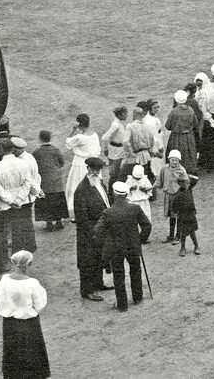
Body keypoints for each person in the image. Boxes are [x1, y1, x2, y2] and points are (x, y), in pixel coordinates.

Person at [93, 180, 151, 312]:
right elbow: (147, 225)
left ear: (114, 194)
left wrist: (106, 241)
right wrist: (140, 240)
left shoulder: (108, 213)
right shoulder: (135, 208)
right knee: (135, 270)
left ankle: (122, 305)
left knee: (118, 275)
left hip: (116, 249)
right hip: (133, 246)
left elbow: (97, 231)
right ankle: (137, 298)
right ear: (126, 195)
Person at [0, 250, 51, 379]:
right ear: (29, 264)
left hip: (9, 323)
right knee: (32, 352)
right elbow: (40, 304)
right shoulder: (32, 283)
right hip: (29, 323)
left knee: (12, 350)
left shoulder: (4, 280)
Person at [72, 157, 110, 302]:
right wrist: (93, 233)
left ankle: (98, 284)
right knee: (88, 260)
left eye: (98, 170)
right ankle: (87, 290)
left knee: (99, 257)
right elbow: (81, 217)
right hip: (88, 232)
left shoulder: (101, 184)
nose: (95, 172)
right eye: (92, 169)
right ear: (87, 169)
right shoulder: (81, 190)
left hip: (101, 228)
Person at [64, 114, 100, 220]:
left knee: (77, 187)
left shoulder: (79, 137)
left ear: (79, 125)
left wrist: (73, 130)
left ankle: (78, 213)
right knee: (93, 186)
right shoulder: (95, 135)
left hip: (80, 164)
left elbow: (68, 143)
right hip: (93, 164)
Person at [32, 131, 67, 230]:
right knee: (57, 200)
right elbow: (62, 162)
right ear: (50, 138)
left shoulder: (37, 152)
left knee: (45, 201)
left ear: (40, 139)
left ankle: (49, 223)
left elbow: (33, 165)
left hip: (44, 181)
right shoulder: (56, 150)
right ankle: (59, 221)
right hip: (56, 181)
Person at [154, 151, 190, 245]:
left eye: (176, 160)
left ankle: (178, 236)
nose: (174, 162)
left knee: (177, 215)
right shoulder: (164, 168)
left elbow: (186, 183)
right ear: (169, 159)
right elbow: (159, 180)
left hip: (177, 196)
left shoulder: (181, 170)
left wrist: (183, 193)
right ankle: (170, 235)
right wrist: (151, 187)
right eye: (173, 160)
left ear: (179, 160)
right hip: (168, 196)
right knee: (171, 216)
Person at [165, 90, 200, 176]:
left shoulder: (174, 111)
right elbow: (195, 123)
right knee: (189, 154)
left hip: (177, 137)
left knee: (177, 152)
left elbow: (167, 126)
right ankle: (189, 171)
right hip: (189, 136)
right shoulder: (190, 110)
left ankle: (176, 171)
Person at [172, 180, 199, 257]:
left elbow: (196, 179)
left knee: (192, 232)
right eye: (181, 183)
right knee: (183, 233)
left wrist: (186, 175)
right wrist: (177, 213)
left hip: (191, 215)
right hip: (182, 217)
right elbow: (174, 207)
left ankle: (196, 246)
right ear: (179, 184)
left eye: (185, 183)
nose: (184, 185)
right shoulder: (177, 195)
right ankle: (183, 248)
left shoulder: (189, 190)